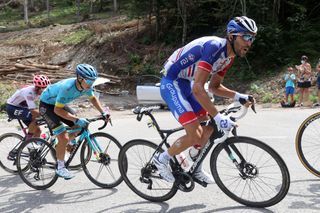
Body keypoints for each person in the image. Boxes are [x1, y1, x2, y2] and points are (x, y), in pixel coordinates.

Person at [153, 16, 256, 183]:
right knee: (195, 133)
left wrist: (238, 96)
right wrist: (218, 116)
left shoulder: (228, 58)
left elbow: (214, 87)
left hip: (186, 82)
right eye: (245, 36)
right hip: (171, 81)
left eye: (252, 38)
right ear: (232, 36)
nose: (249, 42)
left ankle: (196, 165)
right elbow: (198, 88)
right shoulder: (214, 47)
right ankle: (161, 159)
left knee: (208, 128)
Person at [39, 64, 109, 179]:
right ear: (80, 79)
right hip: (47, 106)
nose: (91, 84)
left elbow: (92, 98)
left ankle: (60, 145)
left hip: (58, 105)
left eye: (93, 81)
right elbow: (57, 110)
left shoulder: (86, 86)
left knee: (80, 127)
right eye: (89, 81)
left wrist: (103, 112)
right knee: (64, 136)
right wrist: (76, 119)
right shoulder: (67, 88)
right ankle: (60, 168)